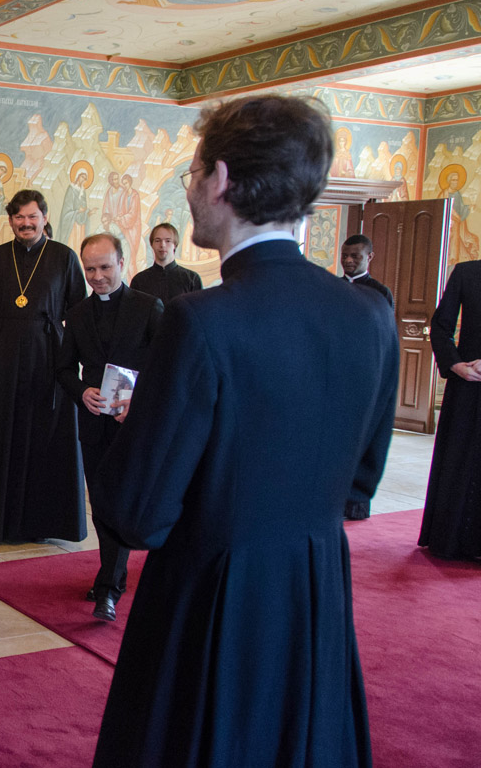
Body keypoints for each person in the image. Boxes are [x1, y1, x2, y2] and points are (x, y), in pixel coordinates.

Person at [90, 95, 398, 767]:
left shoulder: (202, 320)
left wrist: (131, 427)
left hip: (212, 602)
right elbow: (362, 480)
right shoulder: (370, 316)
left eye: (192, 174)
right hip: (315, 589)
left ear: (221, 179)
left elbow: (136, 513)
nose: (192, 190)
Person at [0, 189, 86, 543]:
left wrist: (70, 358)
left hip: (48, 359)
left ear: (44, 217)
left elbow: (79, 313)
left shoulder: (64, 257)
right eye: (19, 218)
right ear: (10, 220)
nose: (26, 223)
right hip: (1, 360)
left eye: (32, 217)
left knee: (43, 436)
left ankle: (41, 523)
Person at [56, 233, 162, 622]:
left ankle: (109, 588)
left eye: (104, 267)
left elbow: (169, 367)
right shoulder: (79, 313)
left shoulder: (149, 308)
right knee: (101, 502)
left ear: (122, 261)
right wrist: (82, 392)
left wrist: (140, 400)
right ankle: (112, 575)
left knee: (122, 501)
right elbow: (64, 368)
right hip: (95, 423)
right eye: (90, 269)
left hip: (134, 425)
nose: (97, 276)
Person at [419, 259, 481, 560]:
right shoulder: (467, 272)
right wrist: (454, 363)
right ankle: (451, 540)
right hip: (466, 382)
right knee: (460, 461)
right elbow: (441, 326)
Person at [130, 222, 203, 303]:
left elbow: (199, 312)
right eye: (157, 241)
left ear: (175, 245)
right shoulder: (139, 281)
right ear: (152, 244)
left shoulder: (192, 279)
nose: (162, 245)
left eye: (168, 241)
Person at [340, 233, 394, 309]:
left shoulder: (380, 292)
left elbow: (386, 320)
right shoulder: (332, 286)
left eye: (355, 256)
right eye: (344, 256)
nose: (348, 260)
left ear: (369, 257)